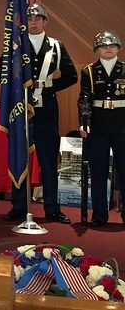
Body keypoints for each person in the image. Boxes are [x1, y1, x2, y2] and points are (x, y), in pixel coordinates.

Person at [0, 2, 77, 223]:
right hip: (21, 111)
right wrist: (17, 89)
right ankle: (19, 206)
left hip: (47, 112)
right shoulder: (16, 45)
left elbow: (71, 76)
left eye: (38, 18)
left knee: (48, 161)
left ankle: (52, 208)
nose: (33, 22)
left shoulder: (57, 47)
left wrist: (48, 87)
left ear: (45, 21)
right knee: (20, 159)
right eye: (30, 18)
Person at [78, 31, 125, 227]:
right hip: (97, 126)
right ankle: (99, 215)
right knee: (98, 171)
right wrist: (84, 121)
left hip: (123, 126)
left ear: (118, 48)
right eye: (103, 46)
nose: (108, 48)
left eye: (112, 45)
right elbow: (85, 98)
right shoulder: (89, 71)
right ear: (96, 49)